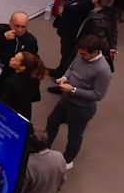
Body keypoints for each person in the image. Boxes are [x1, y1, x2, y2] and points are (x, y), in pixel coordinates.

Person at [44, 34, 112, 169]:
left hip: (82, 109)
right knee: (52, 123)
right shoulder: (80, 54)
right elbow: (71, 68)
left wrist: (73, 90)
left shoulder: (103, 70)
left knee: (74, 136)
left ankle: (67, 161)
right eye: (79, 53)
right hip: (65, 101)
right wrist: (64, 77)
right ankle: (44, 149)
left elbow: (98, 95)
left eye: (84, 54)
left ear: (94, 52)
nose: (80, 55)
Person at [0, 50, 45, 120]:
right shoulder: (34, 78)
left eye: (15, 60)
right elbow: (36, 97)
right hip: (25, 114)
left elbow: (4, 103)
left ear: (22, 67)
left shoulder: (10, 82)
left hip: (11, 116)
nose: (11, 58)